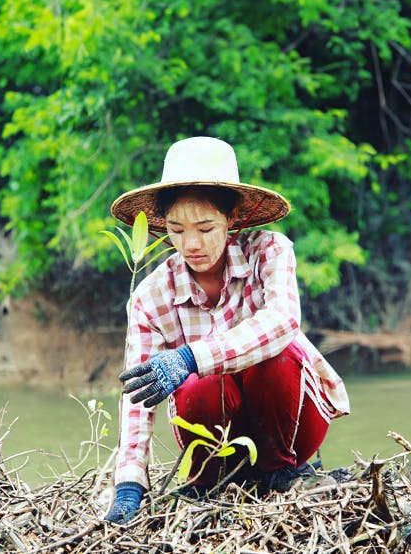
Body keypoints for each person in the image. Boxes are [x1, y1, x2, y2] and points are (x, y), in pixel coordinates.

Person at [104, 136, 350, 524]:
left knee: (278, 356)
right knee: (197, 386)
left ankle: (279, 476)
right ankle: (213, 484)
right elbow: (138, 396)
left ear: (231, 219)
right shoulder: (150, 298)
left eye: (205, 228)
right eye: (176, 230)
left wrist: (190, 357)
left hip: (291, 429)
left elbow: (283, 322)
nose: (190, 244)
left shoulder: (270, 251)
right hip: (216, 443)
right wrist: (129, 485)